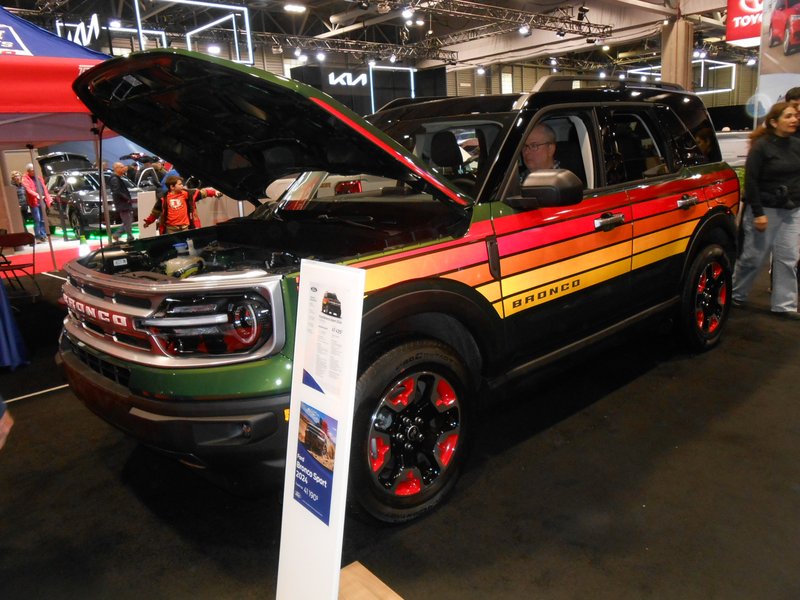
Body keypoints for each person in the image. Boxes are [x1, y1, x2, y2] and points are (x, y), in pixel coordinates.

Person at [732, 101, 800, 319]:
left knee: (788, 257)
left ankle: (785, 305)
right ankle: (736, 294)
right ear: (773, 121)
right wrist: (758, 213)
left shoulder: (797, 145)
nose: (794, 120)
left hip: (792, 211)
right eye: (788, 116)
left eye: (795, 116)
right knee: (753, 258)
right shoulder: (761, 146)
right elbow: (751, 182)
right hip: (764, 210)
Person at [143, 175, 221, 235]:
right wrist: (148, 222)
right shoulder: (163, 199)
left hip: (186, 227)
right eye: (180, 184)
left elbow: (203, 192)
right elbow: (155, 212)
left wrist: (214, 192)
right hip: (171, 229)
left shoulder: (187, 194)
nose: (182, 186)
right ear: (172, 187)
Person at [21, 163, 51, 243]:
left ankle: (43, 235)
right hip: (34, 202)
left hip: (42, 200)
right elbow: (28, 189)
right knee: (37, 219)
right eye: (32, 170)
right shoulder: (25, 178)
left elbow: (44, 188)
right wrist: (37, 195)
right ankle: (38, 236)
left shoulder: (38, 177)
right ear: (28, 171)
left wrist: (47, 196)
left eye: (35, 170)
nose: (34, 172)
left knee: (42, 219)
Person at [108, 162, 135, 243]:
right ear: (116, 168)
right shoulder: (115, 179)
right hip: (122, 203)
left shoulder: (117, 178)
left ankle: (120, 235)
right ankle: (127, 236)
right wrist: (126, 198)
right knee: (128, 221)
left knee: (128, 220)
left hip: (123, 203)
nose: (124, 168)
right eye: (122, 167)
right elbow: (117, 191)